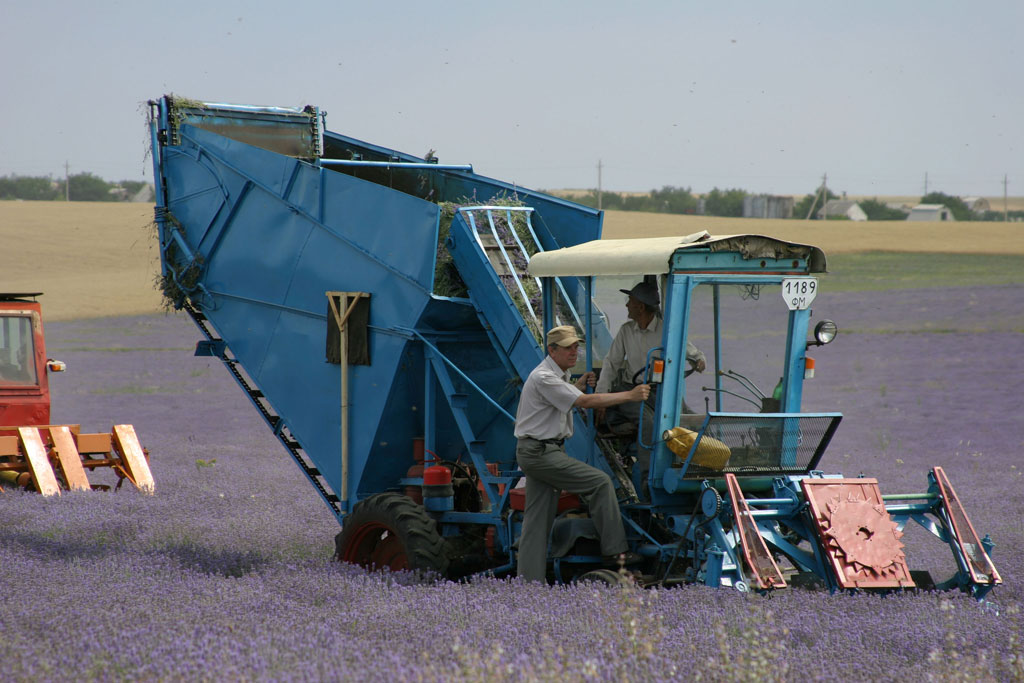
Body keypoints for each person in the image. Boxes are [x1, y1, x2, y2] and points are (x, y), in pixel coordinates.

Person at [514, 325, 650, 582]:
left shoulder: (555, 375)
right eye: (568, 348)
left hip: (538, 450)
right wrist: (630, 395)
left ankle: (529, 585)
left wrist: (576, 384)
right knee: (599, 483)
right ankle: (615, 553)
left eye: (576, 347)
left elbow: (560, 398)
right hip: (541, 453)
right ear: (551, 350)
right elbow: (585, 402)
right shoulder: (545, 377)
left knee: (536, 521)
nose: (574, 352)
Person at [595, 281, 705, 493]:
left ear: (641, 307)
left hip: (660, 391)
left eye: (630, 302)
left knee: (691, 420)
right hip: (631, 391)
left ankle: (694, 472)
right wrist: (601, 396)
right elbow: (611, 363)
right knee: (650, 424)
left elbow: (692, 352)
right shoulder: (626, 331)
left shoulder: (666, 330)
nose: (627, 305)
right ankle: (649, 485)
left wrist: (699, 360)